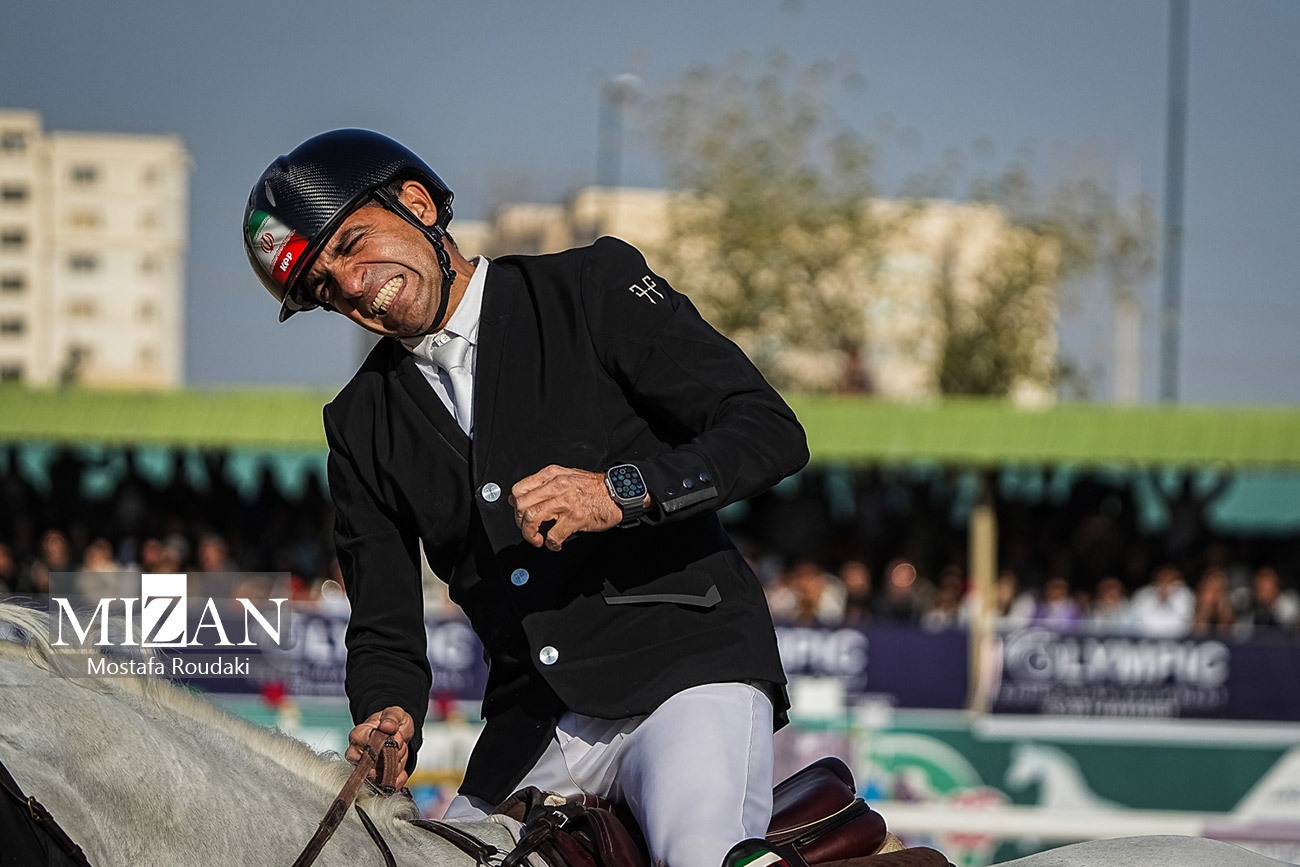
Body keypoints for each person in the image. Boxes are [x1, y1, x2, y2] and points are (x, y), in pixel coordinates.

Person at [243, 129, 809, 867]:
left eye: (353, 245)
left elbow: (768, 430)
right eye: (324, 288)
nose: (350, 286)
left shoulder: (591, 287)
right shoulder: (358, 422)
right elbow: (384, 623)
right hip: (531, 727)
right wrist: (388, 710)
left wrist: (619, 492)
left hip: (686, 668)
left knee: (700, 854)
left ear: (417, 204)